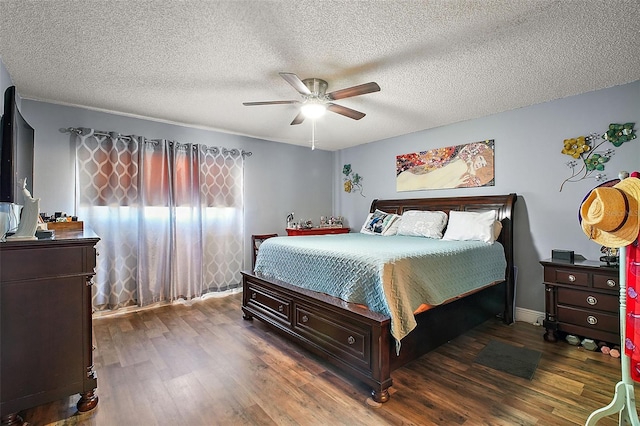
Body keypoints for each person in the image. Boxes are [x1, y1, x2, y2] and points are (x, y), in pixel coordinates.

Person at [396, 142, 494, 191]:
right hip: (412, 181)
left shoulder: (463, 167)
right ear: (476, 155)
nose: (481, 164)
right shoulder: (462, 164)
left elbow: (434, 186)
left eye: (483, 165)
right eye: (481, 159)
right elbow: (434, 185)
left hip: (411, 180)